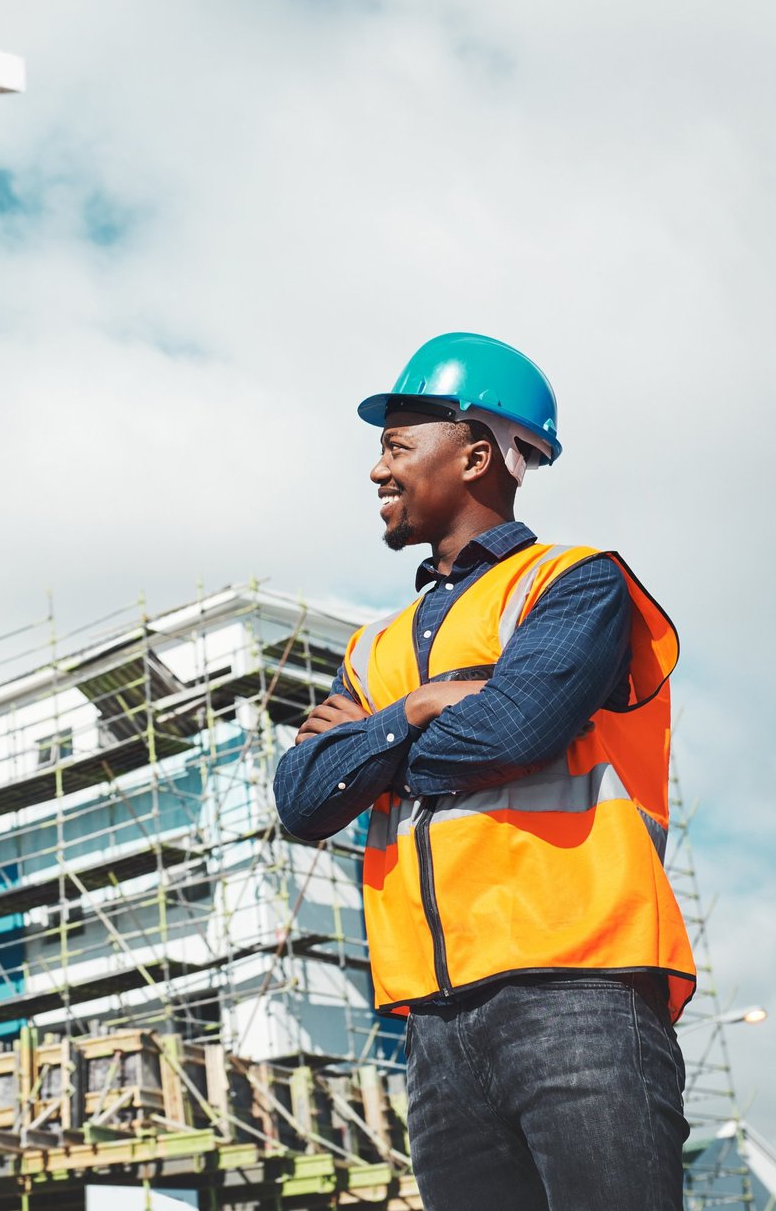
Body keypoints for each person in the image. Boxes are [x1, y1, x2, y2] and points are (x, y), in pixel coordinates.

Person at [272, 332, 697, 1211]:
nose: (376, 471)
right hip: (435, 1026)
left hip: (579, 992)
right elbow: (303, 798)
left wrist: (370, 748)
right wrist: (420, 709)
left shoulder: (573, 585)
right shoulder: (375, 649)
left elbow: (509, 733)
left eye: (396, 445)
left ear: (473, 455)